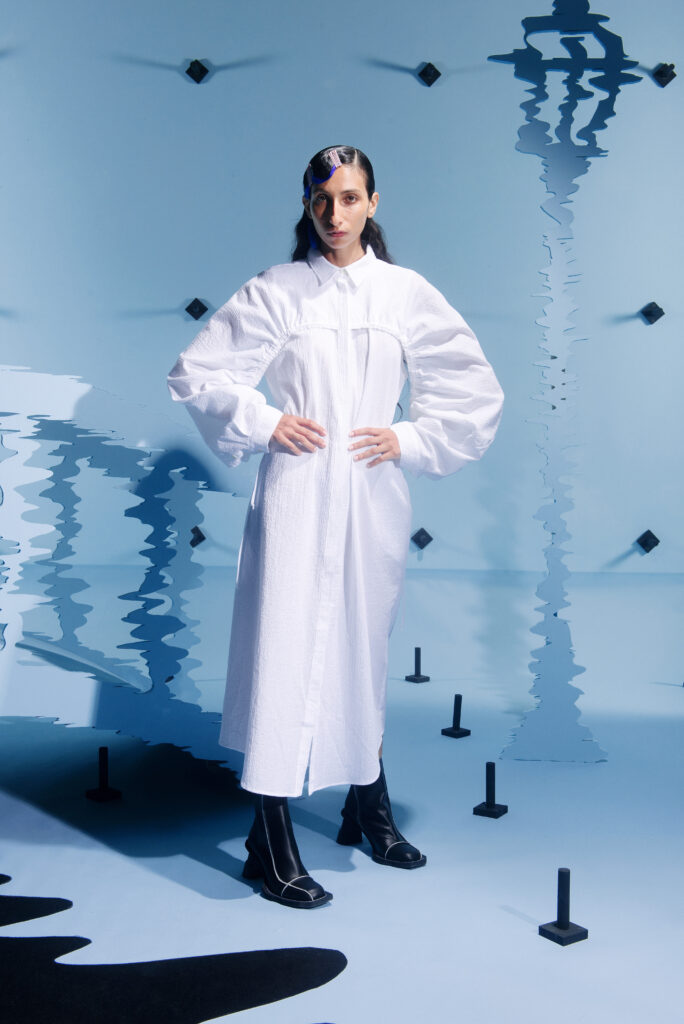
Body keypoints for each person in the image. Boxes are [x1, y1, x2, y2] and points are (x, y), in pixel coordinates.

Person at [167, 145, 504, 909]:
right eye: (322, 199)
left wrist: (409, 437)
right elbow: (197, 372)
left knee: (361, 649)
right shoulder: (279, 290)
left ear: (373, 203)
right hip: (296, 494)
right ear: (307, 204)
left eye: (350, 198)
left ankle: (367, 805)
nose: (335, 214)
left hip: (370, 495)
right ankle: (271, 835)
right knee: (282, 654)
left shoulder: (404, 293)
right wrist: (264, 421)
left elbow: (473, 390)